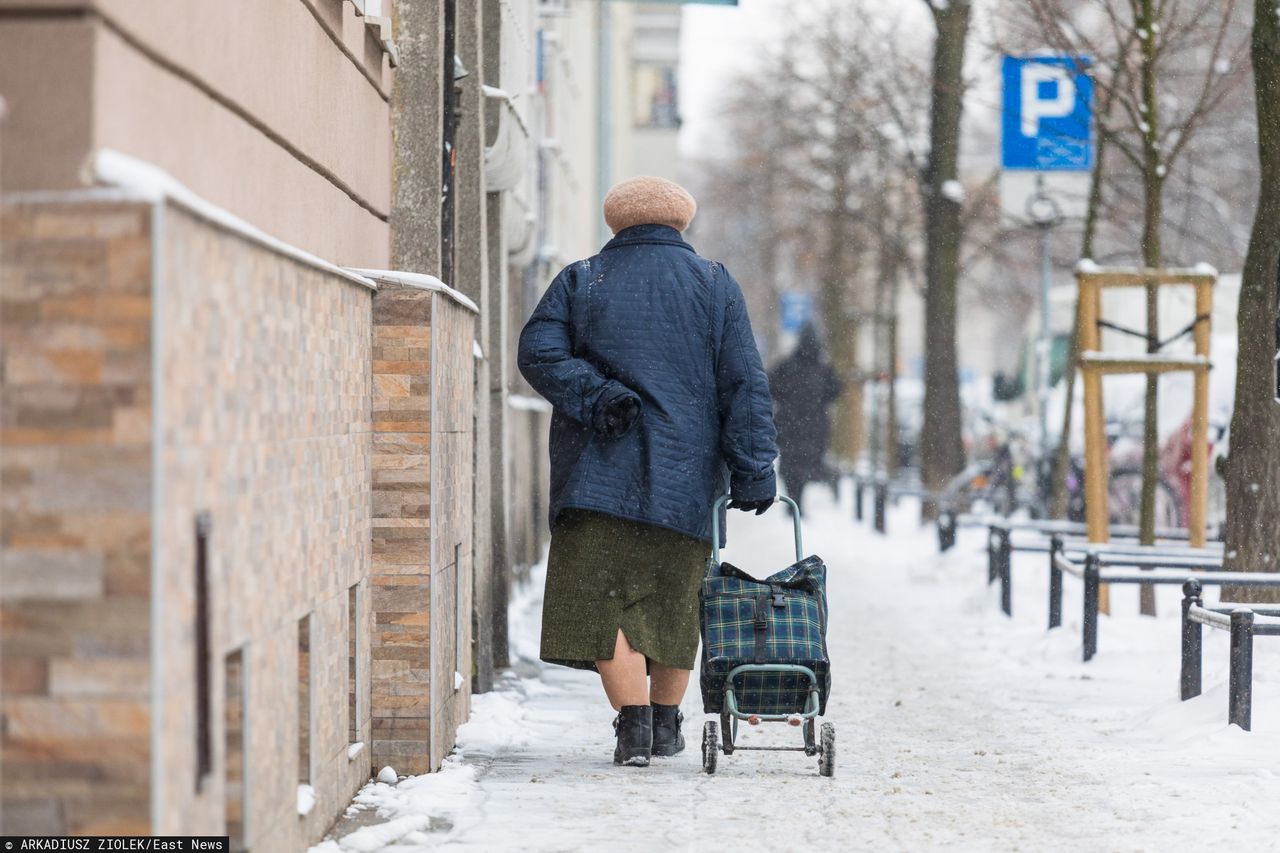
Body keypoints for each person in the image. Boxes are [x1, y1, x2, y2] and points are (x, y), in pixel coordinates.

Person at [517, 176, 778, 767]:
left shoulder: (582, 280)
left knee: (602, 605)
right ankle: (665, 726)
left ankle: (633, 728)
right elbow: (745, 384)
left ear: (616, 223)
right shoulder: (715, 285)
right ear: (680, 221)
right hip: (687, 483)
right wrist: (754, 468)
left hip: (596, 480)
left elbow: (537, 353)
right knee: (675, 605)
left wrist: (600, 397)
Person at [768, 324, 843, 517]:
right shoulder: (822, 367)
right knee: (805, 463)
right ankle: (796, 501)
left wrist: (787, 402)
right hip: (812, 425)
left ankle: (794, 500)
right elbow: (835, 389)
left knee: (792, 464)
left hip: (790, 424)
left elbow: (770, 385)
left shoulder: (788, 365)